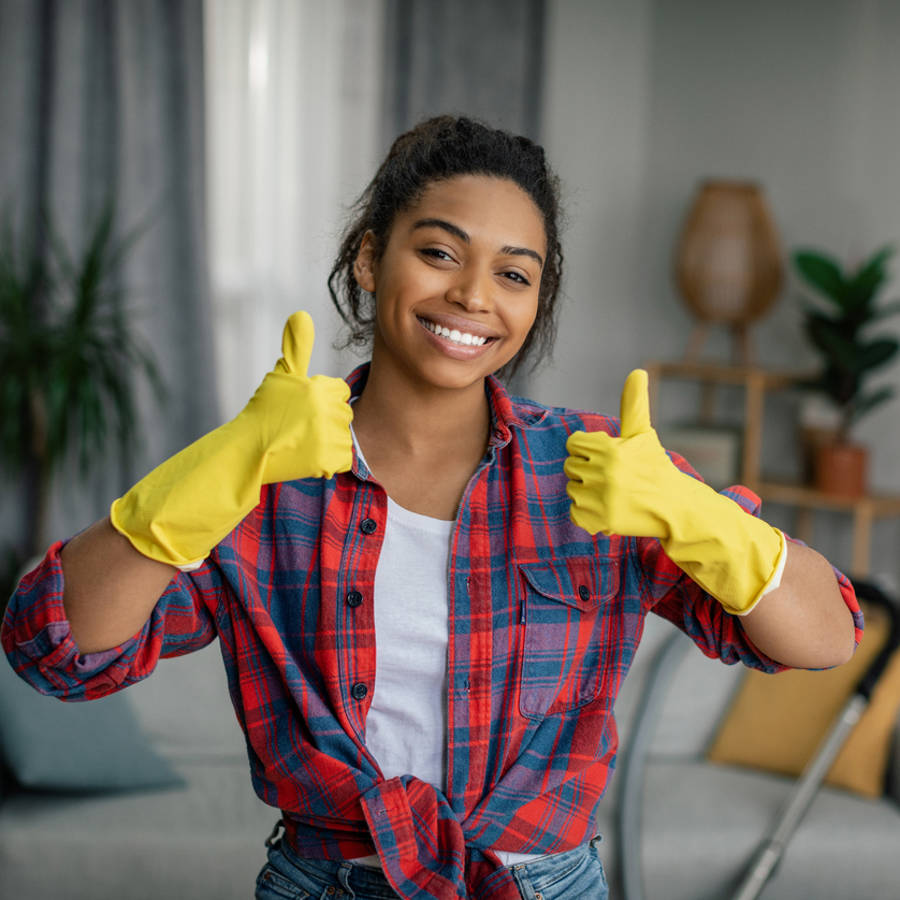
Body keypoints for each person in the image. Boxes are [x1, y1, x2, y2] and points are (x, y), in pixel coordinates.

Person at [2, 116, 860, 900]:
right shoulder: (263, 479)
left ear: (535, 302)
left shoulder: (601, 472)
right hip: (324, 882)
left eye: (514, 274)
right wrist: (223, 463)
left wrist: (692, 513)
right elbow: (54, 653)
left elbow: (827, 637)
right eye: (441, 253)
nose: (474, 296)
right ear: (371, 259)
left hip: (544, 884)